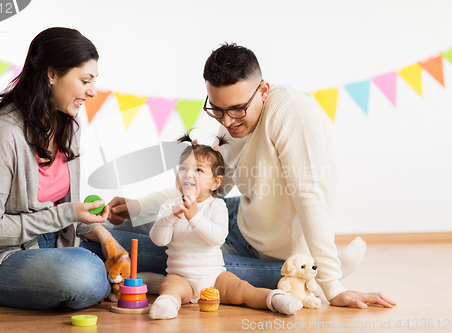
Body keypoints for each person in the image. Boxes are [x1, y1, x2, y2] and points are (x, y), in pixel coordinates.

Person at [108, 43, 396, 309]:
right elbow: (203, 188)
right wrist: (136, 208)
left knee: (181, 262)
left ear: (264, 90)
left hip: (273, 245)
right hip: (240, 218)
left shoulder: (289, 112)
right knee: (140, 226)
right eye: (217, 110)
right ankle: (313, 272)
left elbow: (310, 197)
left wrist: (333, 285)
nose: (227, 122)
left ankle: (312, 272)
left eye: (237, 109)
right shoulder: (230, 124)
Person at [0, 27, 154, 310]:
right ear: (52, 74)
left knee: (161, 249)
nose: (93, 91)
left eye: (94, 81)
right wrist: (69, 213)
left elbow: (66, 212)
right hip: (1, 257)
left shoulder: (68, 125)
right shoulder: (2, 134)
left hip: (60, 241)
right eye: (85, 80)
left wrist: (104, 235)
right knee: (84, 274)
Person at [149, 134, 302, 320]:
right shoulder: (169, 207)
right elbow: (159, 240)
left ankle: (276, 299)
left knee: (243, 290)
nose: (188, 174)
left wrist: (195, 217)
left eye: (198, 170)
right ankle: (167, 304)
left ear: (216, 182)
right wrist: (170, 217)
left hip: (214, 277)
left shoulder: (216, 206)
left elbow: (217, 237)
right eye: (183, 168)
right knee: (169, 285)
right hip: (181, 276)